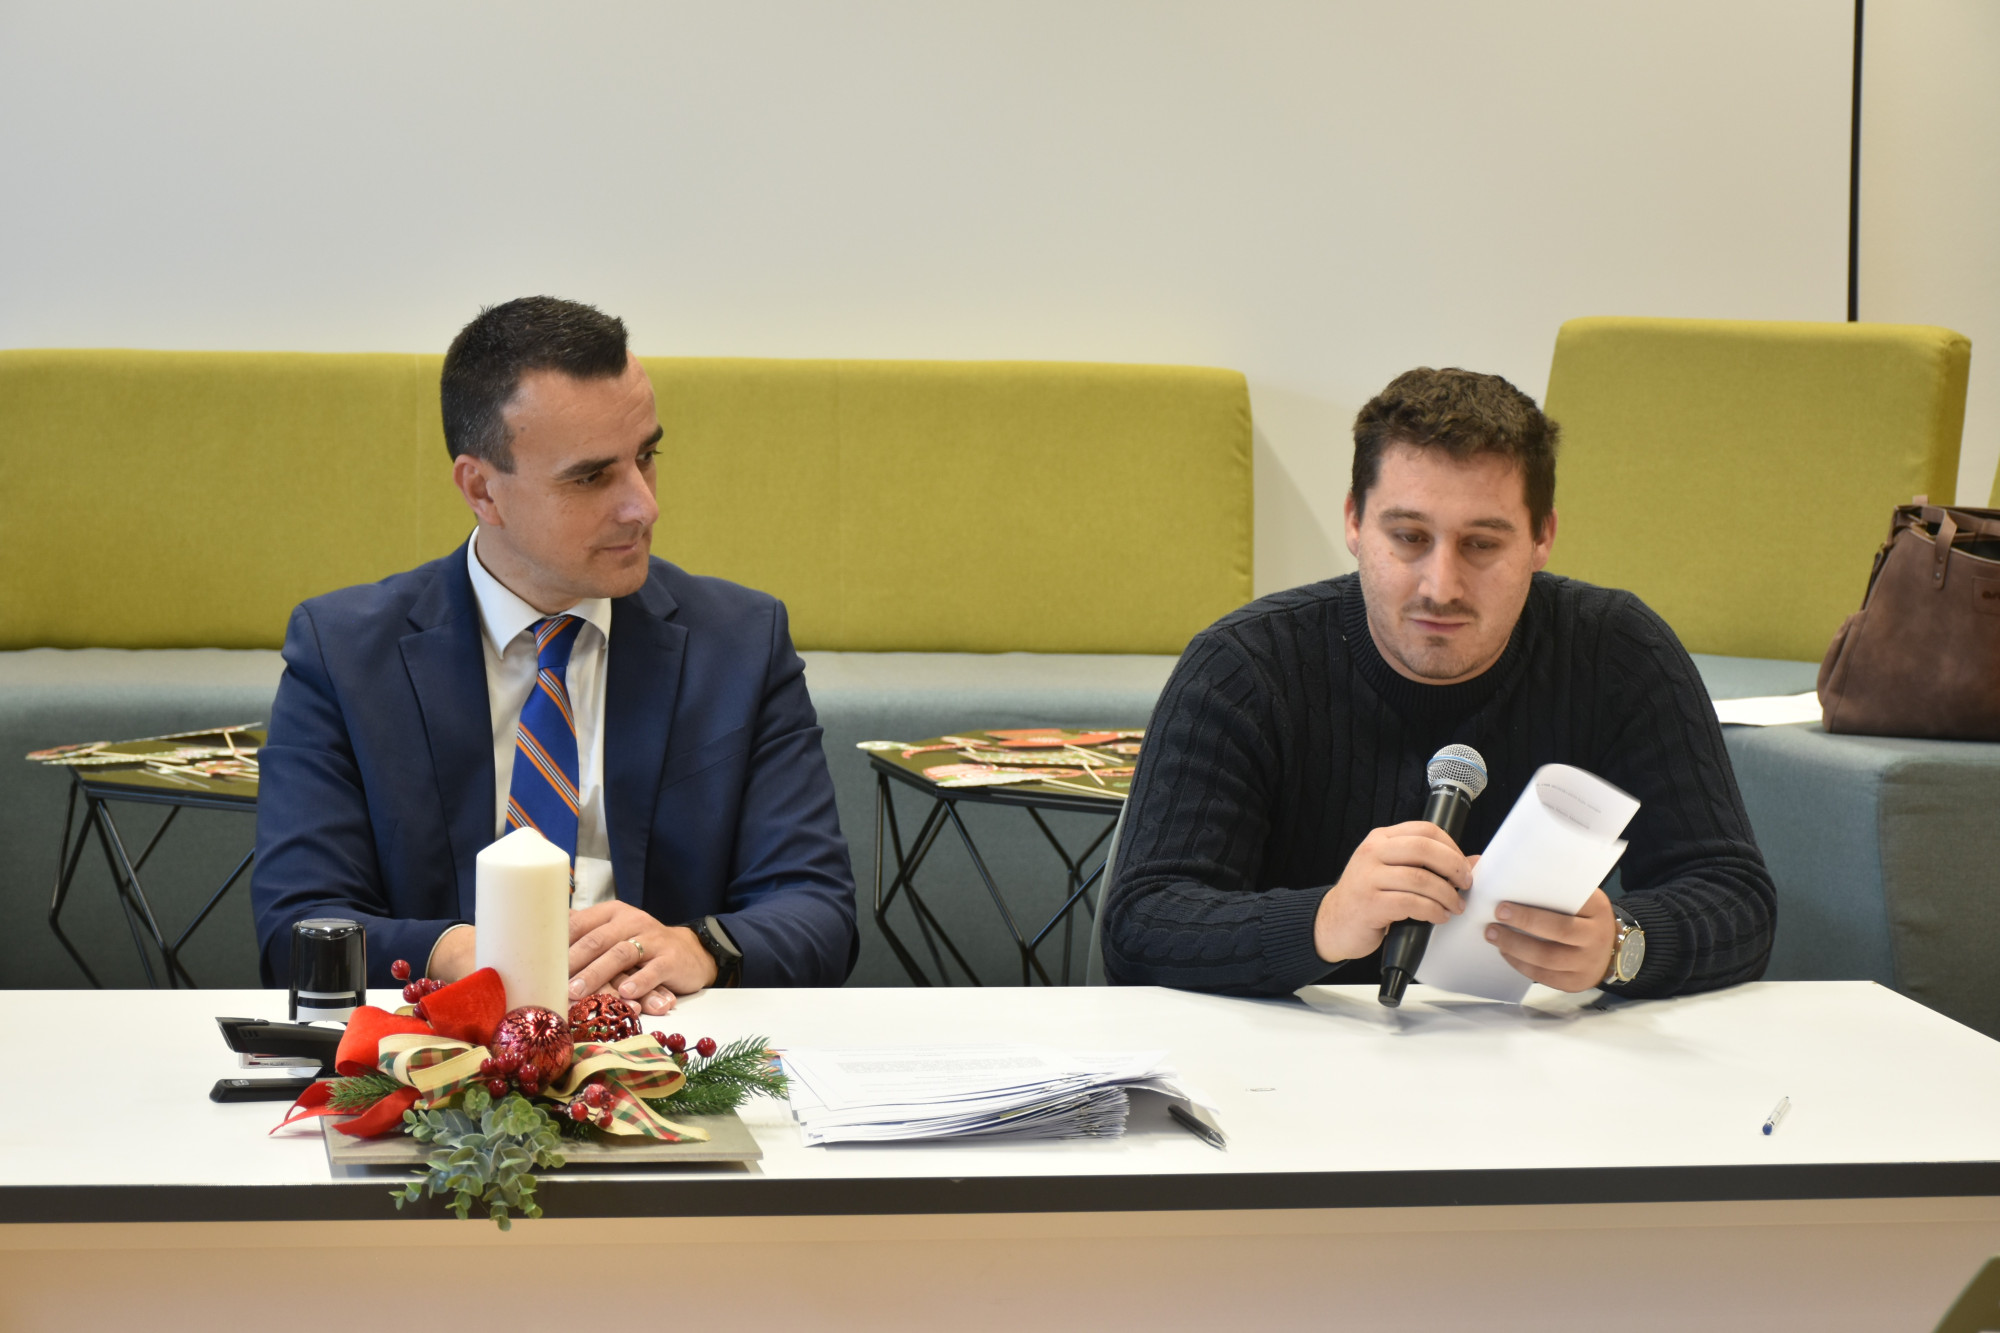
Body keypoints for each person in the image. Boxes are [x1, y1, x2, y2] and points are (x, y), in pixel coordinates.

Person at [252, 297, 856, 1013]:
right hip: (442, 1053)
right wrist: (457, 951)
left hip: (674, 1038)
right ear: (482, 489)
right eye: (591, 477)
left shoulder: (740, 643)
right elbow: (296, 924)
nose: (643, 506)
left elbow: (818, 908)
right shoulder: (345, 654)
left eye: (647, 456)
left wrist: (700, 947)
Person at [1103, 367, 1774, 998]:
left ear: (1542, 537)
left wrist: (1622, 944)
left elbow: (1736, 899)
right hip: (1289, 1061)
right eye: (1408, 537)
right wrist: (1323, 921)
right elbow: (1140, 923)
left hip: (1542, 1063)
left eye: (1482, 544)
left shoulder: (1620, 653)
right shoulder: (1242, 668)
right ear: (1354, 522)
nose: (1441, 586)